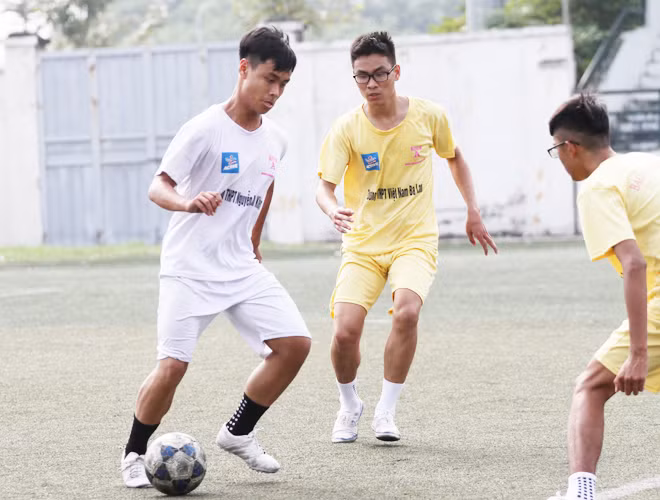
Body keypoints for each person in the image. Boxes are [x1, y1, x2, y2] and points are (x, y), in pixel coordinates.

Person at [120, 26, 311, 488]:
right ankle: (133, 454)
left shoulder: (277, 139)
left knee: (295, 345)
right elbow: (158, 186)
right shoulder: (204, 128)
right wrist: (188, 203)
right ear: (244, 68)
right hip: (189, 267)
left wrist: (255, 241)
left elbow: (265, 186)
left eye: (284, 84)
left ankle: (239, 432)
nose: (275, 92)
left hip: (240, 266)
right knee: (173, 366)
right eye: (270, 79)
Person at [315, 31, 497, 444]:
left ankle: (386, 410)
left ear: (396, 72)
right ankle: (349, 404)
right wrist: (331, 208)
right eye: (362, 76)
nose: (372, 83)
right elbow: (324, 186)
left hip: (414, 240)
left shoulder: (429, 116)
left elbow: (455, 157)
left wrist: (472, 210)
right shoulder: (346, 128)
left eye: (380, 73)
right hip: (363, 245)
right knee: (344, 332)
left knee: (408, 312)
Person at [547, 94, 660, 500]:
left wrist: (638, 354)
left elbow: (634, 264)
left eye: (555, 150)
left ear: (570, 147)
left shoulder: (597, 186)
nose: (559, 160)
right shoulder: (647, 163)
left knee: (591, 387)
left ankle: (581, 493)